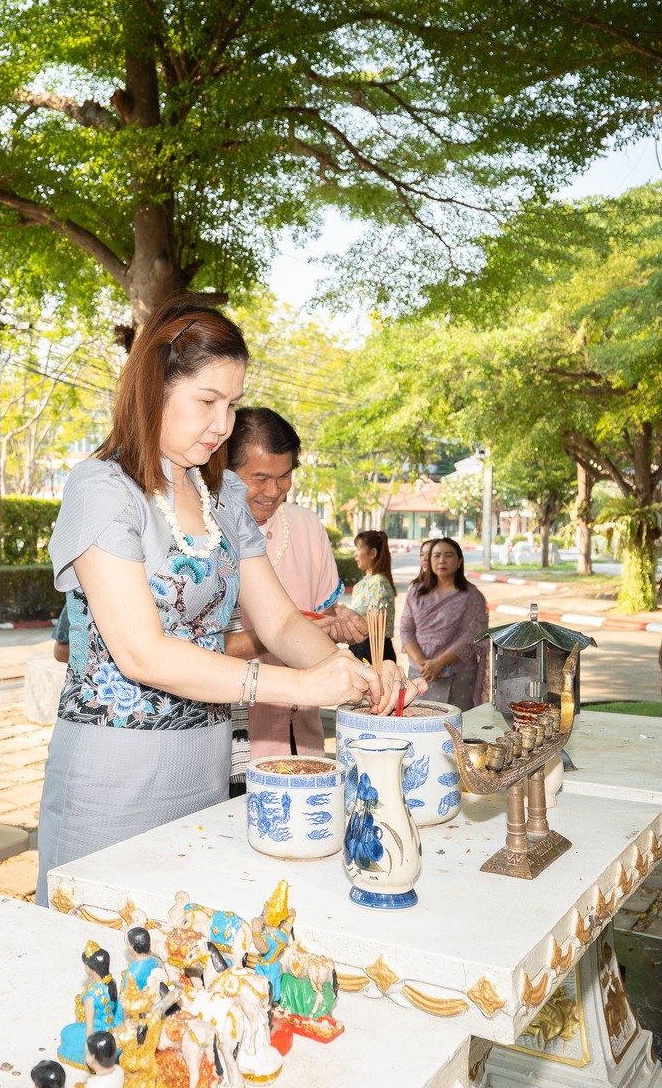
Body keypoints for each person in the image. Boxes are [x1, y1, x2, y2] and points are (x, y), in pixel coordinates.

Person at [37, 301, 395, 904]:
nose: (223, 424)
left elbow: (279, 621)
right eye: (207, 402)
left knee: (191, 964)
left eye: (232, 404)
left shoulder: (223, 493)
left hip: (201, 765)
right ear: (155, 390)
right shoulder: (103, 489)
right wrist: (304, 688)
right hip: (112, 777)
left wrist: (355, 672)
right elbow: (142, 654)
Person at [227, 406, 367, 759]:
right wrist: (287, 632)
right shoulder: (206, 535)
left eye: (284, 476)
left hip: (300, 730)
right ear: (225, 470)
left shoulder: (306, 527)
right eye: (258, 478)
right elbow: (195, 652)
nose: (273, 491)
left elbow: (321, 617)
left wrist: (338, 626)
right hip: (232, 740)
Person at [397, 536, 490, 708]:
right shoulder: (416, 593)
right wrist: (422, 664)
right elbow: (406, 630)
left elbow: (470, 638)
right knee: (418, 723)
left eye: (448, 555)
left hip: (459, 675)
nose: (441, 560)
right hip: (420, 673)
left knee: (455, 728)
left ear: (460, 560)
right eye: (436, 555)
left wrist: (439, 663)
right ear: (429, 560)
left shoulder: (472, 597)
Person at [346, 530, 396, 666]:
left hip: (372, 650)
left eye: (359, 548)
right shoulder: (367, 583)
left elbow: (373, 623)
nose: (355, 554)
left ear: (373, 553)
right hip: (363, 647)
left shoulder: (378, 583)